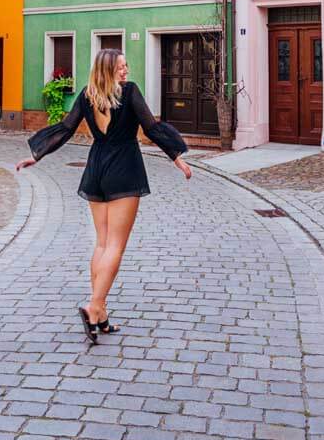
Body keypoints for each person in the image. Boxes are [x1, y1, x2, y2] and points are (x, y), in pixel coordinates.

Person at [16, 49, 192, 343]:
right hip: (124, 169)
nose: (126, 71)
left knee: (101, 243)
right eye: (121, 67)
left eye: (126, 65)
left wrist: (38, 154)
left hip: (96, 169)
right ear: (108, 70)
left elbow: (65, 129)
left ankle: (101, 314)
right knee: (115, 246)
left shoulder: (87, 94)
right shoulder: (130, 92)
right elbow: (152, 127)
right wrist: (177, 157)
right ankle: (93, 305)